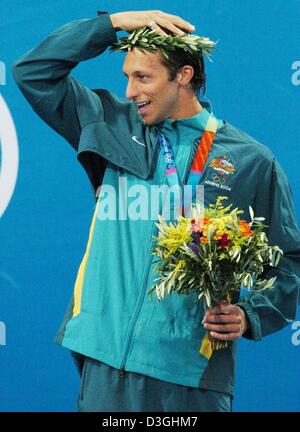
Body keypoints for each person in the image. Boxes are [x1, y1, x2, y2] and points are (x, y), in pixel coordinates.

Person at [13, 10, 300, 412]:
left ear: (183, 76)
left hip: (189, 372)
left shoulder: (250, 161)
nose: (129, 91)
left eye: (143, 77)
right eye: (127, 76)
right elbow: (32, 71)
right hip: (103, 360)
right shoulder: (105, 123)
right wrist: (113, 22)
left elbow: (288, 259)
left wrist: (252, 314)